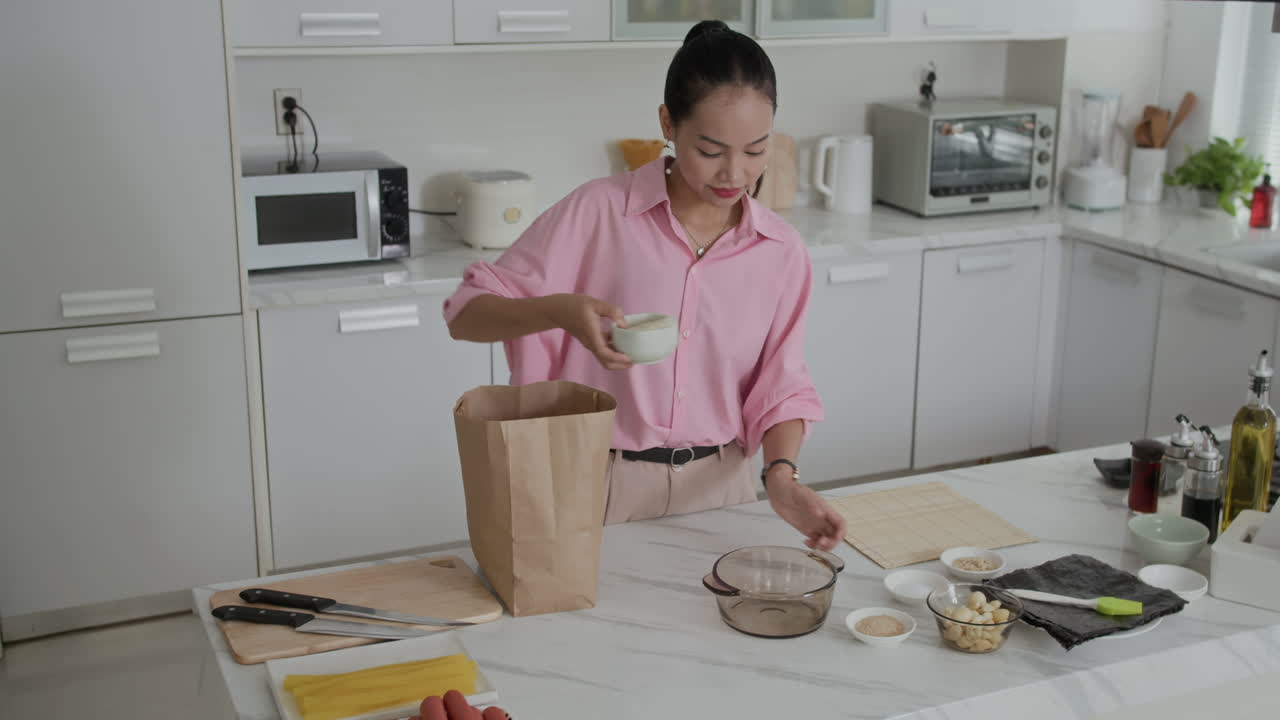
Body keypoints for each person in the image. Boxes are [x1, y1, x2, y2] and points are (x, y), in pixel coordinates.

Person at [443, 20, 846, 551]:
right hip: (597, 483)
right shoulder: (598, 213)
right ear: (668, 124)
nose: (734, 173)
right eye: (711, 149)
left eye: (755, 150)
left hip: (724, 486)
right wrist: (562, 311)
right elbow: (465, 313)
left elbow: (782, 384)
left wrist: (782, 477)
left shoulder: (781, 250)